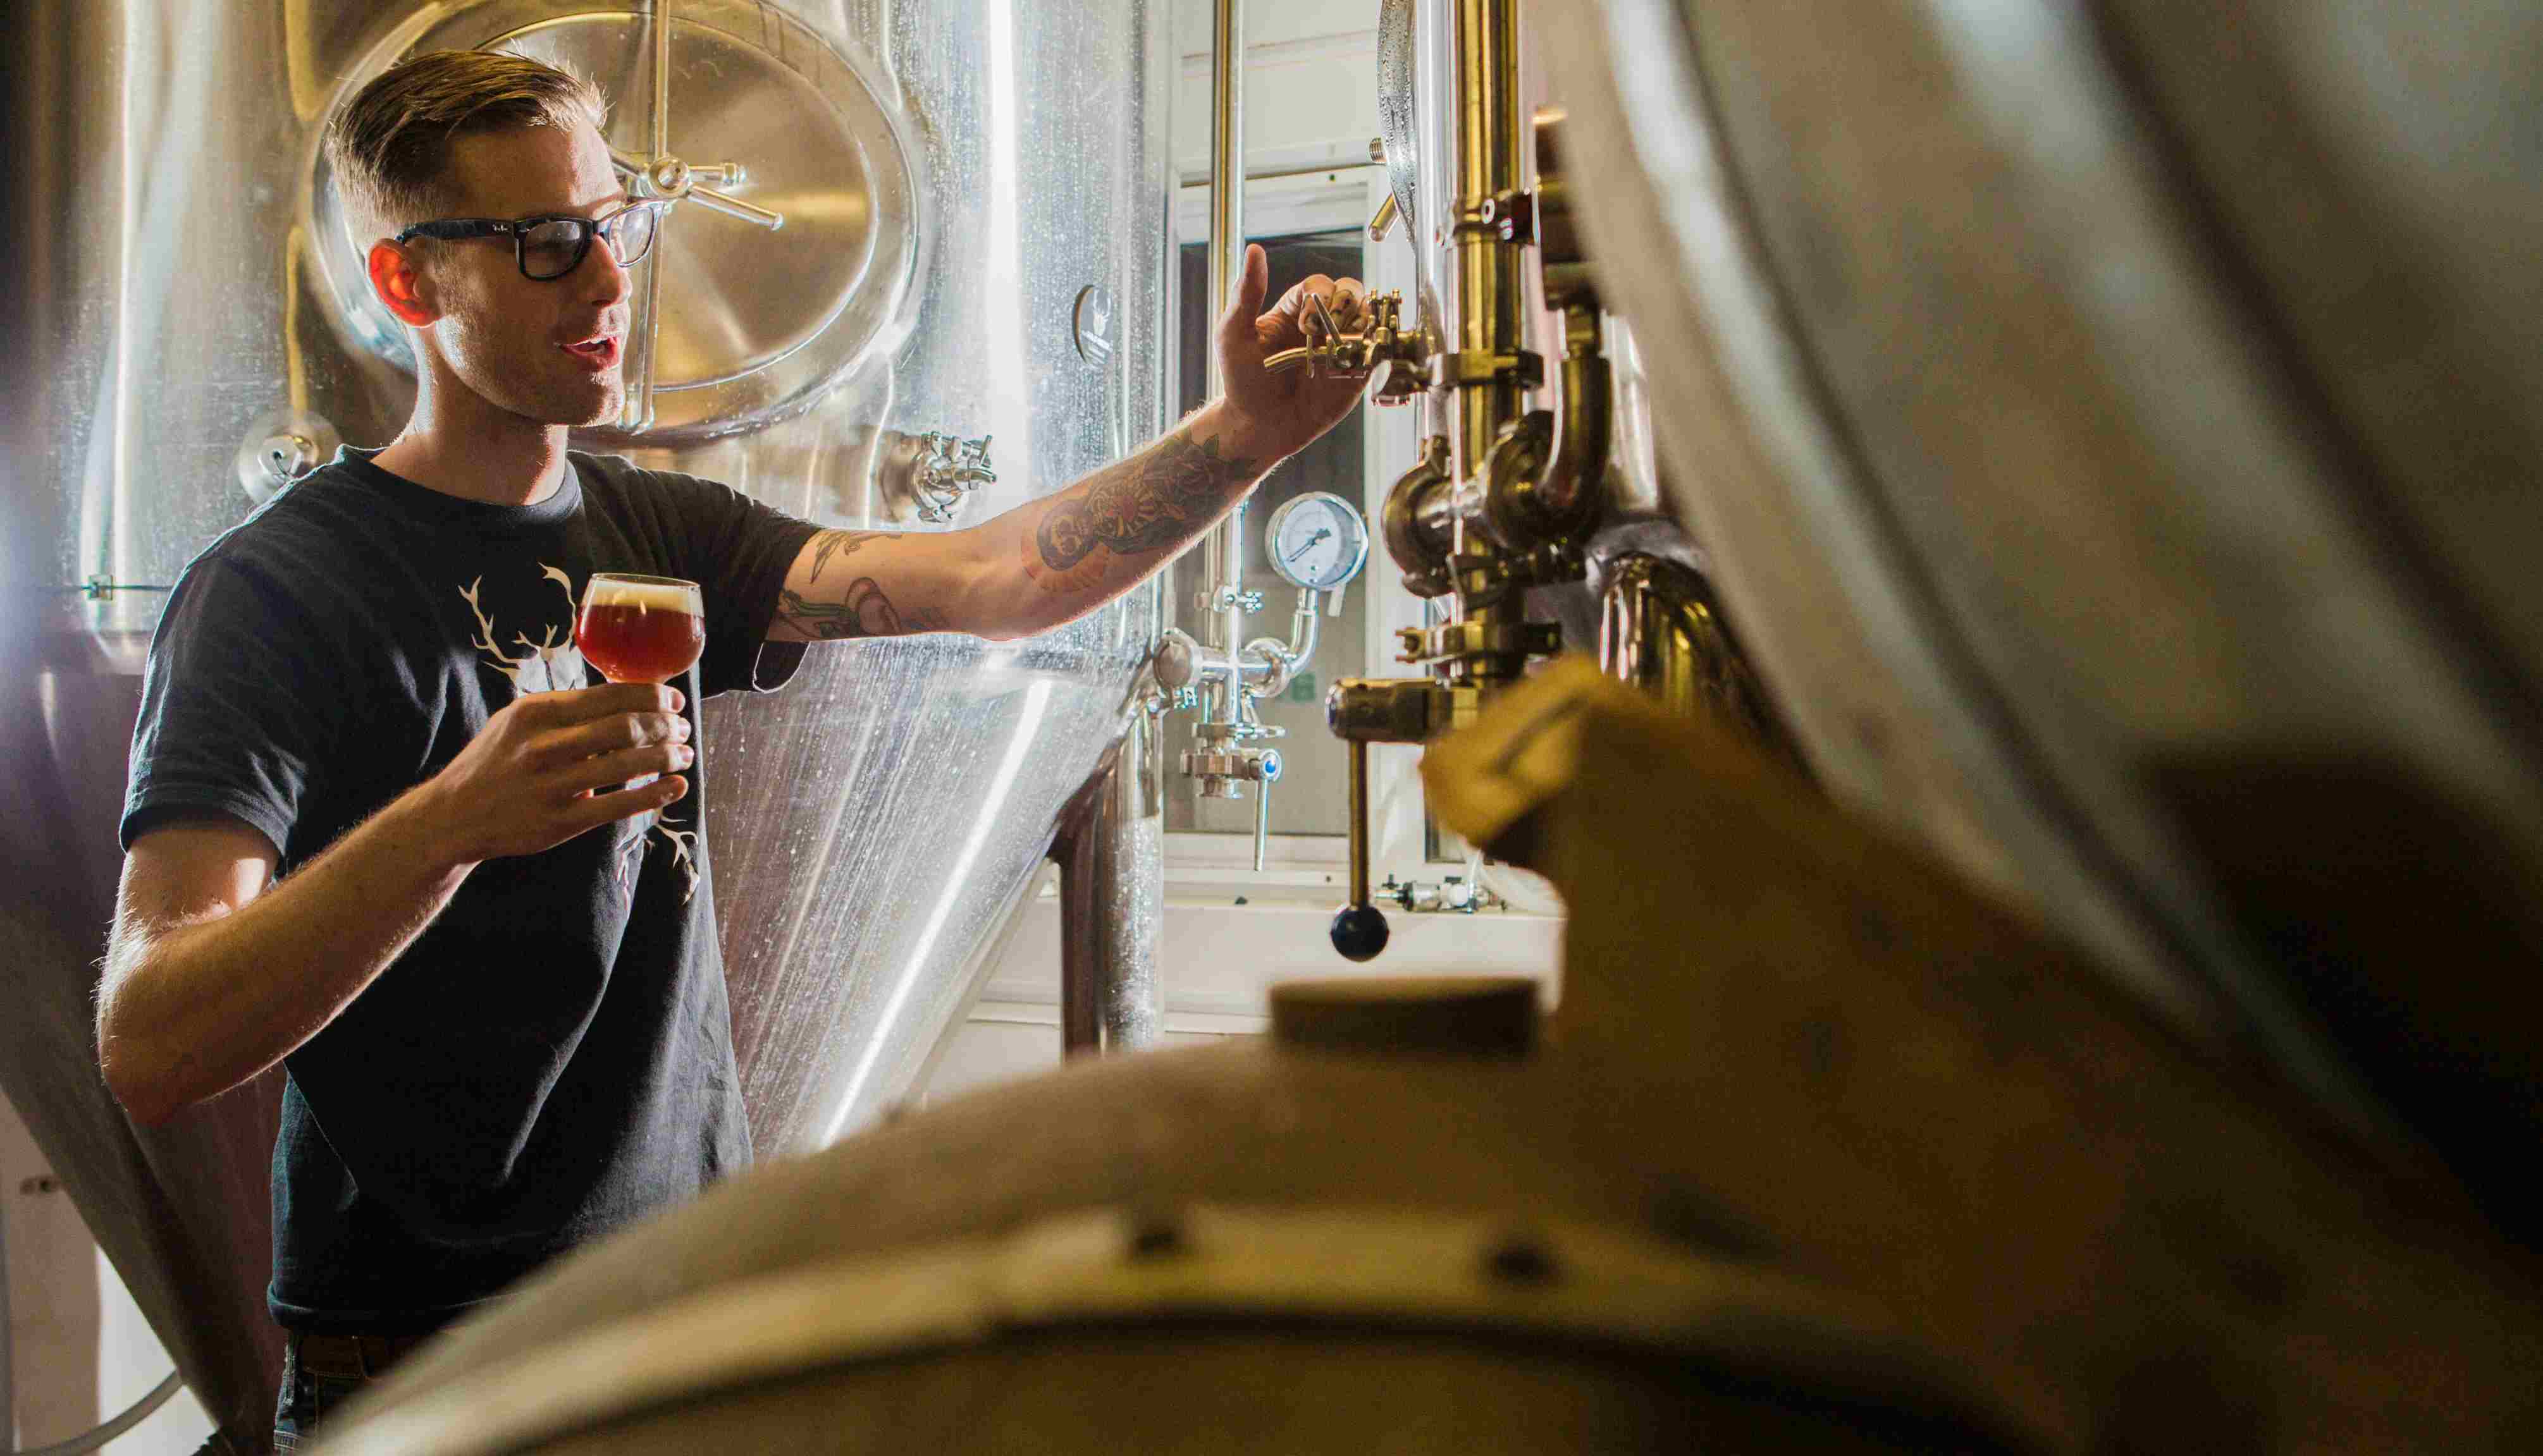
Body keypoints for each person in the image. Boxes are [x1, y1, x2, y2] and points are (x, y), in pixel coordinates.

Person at [93, 49, 1365, 1447]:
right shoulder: (274, 593)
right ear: (410, 287)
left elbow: (999, 579)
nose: (607, 283)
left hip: (679, 1314)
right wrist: (453, 821)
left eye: (615, 225)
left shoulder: (657, 532)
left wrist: (1240, 439)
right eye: (543, 245)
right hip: (423, 1362)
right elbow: (152, 1038)